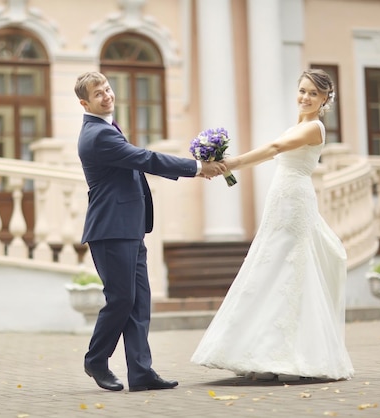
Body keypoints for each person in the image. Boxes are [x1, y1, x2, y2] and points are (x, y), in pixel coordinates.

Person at [191, 69, 354, 382]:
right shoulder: (299, 124)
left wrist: (229, 163)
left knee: (290, 269)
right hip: (281, 197)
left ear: (324, 101)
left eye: (313, 94)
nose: (305, 97)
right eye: (302, 90)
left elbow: (274, 149)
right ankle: (261, 352)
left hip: (295, 201)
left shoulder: (314, 127)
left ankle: (289, 355)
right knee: (269, 267)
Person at [75, 71, 227, 392]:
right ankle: (96, 359)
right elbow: (145, 159)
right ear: (84, 102)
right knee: (121, 299)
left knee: (140, 301)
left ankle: (141, 372)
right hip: (111, 229)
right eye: (98, 93)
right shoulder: (98, 135)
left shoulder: (106, 128)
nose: (106, 95)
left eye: (107, 88)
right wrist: (197, 168)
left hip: (128, 227)